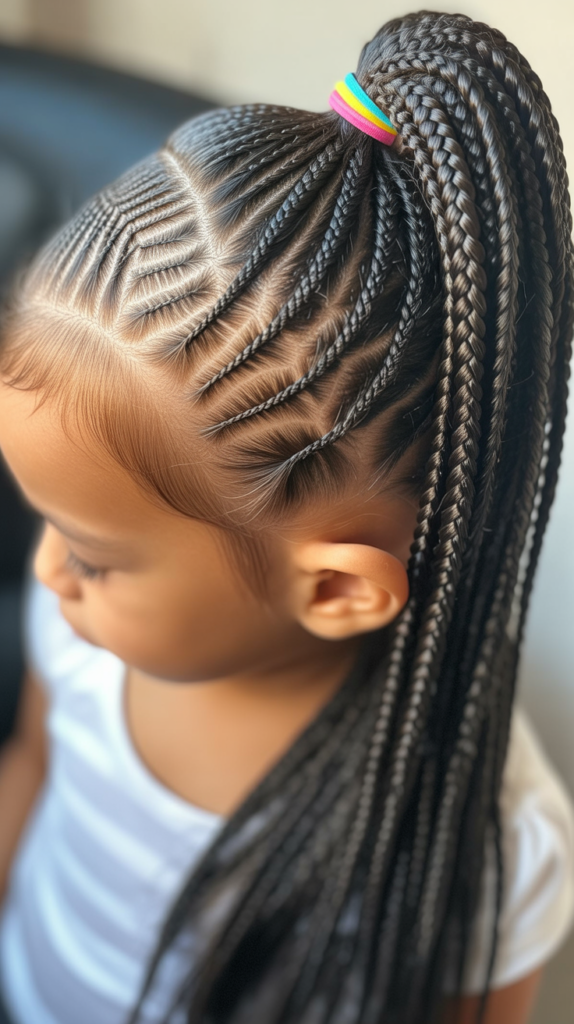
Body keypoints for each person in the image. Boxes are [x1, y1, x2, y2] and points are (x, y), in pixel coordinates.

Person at [0, 9, 572, 1024]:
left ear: (336, 587)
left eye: (93, 552)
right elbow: (33, 777)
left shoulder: (481, 844)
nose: (47, 573)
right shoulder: (84, 641)